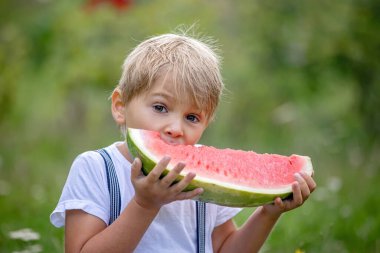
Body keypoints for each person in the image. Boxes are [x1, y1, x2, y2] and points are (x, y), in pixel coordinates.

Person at [50, 31, 317, 253]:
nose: (176, 128)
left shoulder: (206, 180)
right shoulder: (95, 169)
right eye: (160, 107)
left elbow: (226, 248)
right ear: (121, 107)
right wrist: (145, 204)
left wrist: (268, 213)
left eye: (191, 116)